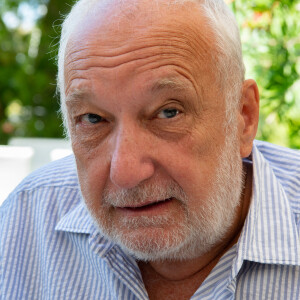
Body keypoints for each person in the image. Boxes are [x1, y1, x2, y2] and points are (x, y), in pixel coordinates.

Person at [1, 0, 299, 299]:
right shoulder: (25, 222)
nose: (126, 173)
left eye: (169, 113)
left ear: (243, 117)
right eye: (93, 119)